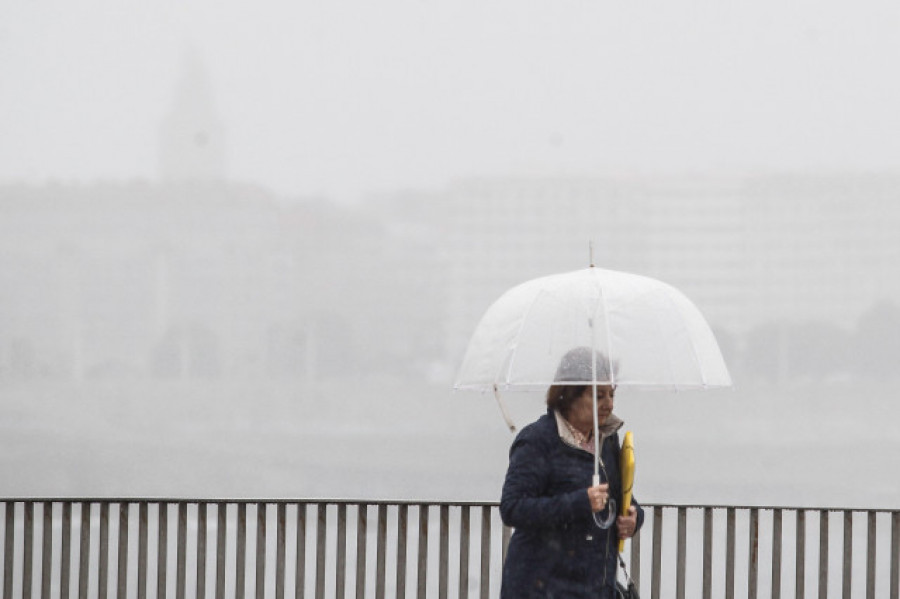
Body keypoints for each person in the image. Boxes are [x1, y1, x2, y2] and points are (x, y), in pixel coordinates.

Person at [500, 346, 644, 598]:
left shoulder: (607, 440)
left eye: (612, 394)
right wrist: (580, 502)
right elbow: (513, 508)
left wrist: (634, 518)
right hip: (540, 587)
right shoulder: (537, 440)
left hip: (594, 587)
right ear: (569, 396)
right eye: (598, 396)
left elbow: (619, 498)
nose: (609, 404)